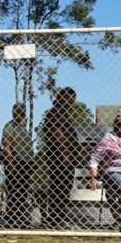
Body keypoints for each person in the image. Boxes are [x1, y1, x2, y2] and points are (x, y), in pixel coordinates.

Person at [40, 88, 80, 227]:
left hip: (67, 156)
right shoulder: (56, 112)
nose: (71, 101)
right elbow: (57, 132)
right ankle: (56, 218)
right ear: (61, 98)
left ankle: (57, 217)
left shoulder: (63, 114)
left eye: (73, 99)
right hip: (60, 157)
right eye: (68, 98)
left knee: (64, 186)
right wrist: (65, 153)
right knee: (60, 186)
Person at [0, 103, 34, 227]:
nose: (19, 114)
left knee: (23, 190)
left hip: (26, 163)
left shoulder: (22, 127)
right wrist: (10, 162)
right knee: (15, 190)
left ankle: (19, 217)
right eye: (17, 112)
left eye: (22, 112)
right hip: (16, 162)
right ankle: (12, 218)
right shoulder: (10, 126)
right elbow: (6, 145)